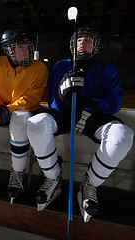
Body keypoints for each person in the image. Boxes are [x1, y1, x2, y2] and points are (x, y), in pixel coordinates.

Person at [26, 26, 134, 222]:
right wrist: (61, 94)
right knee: (35, 123)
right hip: (65, 114)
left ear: (96, 46)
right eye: (79, 39)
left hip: (92, 117)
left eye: (88, 40)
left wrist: (90, 107)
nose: (83, 42)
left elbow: (115, 101)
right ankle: (53, 177)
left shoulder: (107, 70)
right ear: (72, 44)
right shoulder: (60, 66)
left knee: (122, 136)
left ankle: (89, 184)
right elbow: (53, 103)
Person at [0, 29, 48, 203]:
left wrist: (5, 110)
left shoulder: (39, 68)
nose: (26, 51)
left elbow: (31, 99)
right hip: (1, 108)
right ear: (9, 51)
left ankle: (17, 173)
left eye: (26, 47)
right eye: (20, 48)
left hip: (21, 111)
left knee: (20, 119)